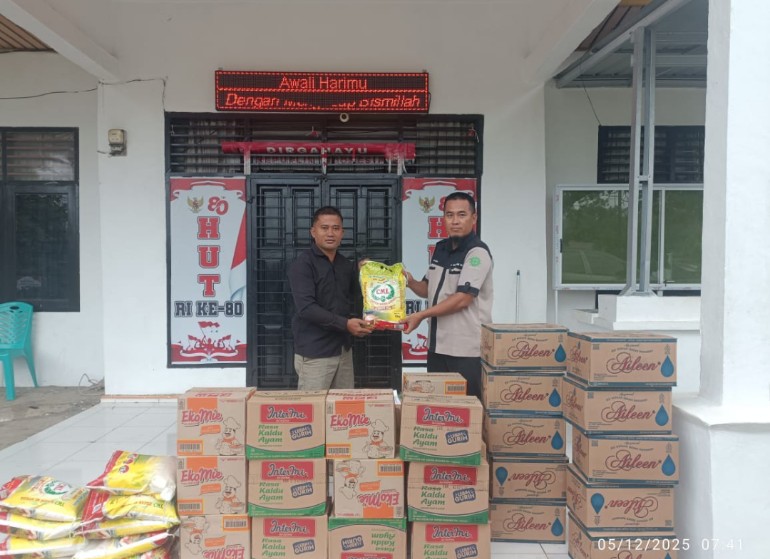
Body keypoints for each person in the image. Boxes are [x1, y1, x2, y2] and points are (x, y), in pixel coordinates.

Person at [403, 192, 493, 398]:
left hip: (466, 349)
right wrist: (408, 281)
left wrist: (421, 315)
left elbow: (463, 299)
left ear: (474, 218)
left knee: (467, 408)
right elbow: (428, 289)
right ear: (443, 218)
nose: (455, 221)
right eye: (449, 215)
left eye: (462, 215)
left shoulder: (477, 253)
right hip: (437, 347)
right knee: (440, 407)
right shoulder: (441, 249)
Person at [288, 206, 373, 390]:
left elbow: (358, 295)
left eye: (336, 228)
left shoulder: (345, 265)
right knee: (313, 406)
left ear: (342, 233)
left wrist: (368, 274)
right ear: (313, 232)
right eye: (324, 228)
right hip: (315, 352)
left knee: (342, 405)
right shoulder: (303, 264)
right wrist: (346, 324)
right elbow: (306, 308)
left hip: (343, 350)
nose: (330, 233)